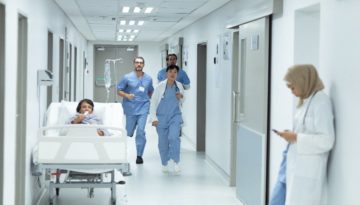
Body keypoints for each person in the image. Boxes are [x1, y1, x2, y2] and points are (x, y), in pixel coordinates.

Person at [269, 64, 335, 205]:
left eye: (293, 87)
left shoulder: (321, 102)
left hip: (307, 171)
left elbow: (327, 140)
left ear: (303, 81)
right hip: (292, 162)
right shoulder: (305, 102)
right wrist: (291, 135)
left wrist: (296, 137)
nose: (292, 92)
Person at [117, 56, 154, 164]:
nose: (139, 64)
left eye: (141, 63)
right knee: (128, 132)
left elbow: (151, 91)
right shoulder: (127, 77)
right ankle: (130, 132)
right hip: (131, 108)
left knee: (141, 131)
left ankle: (139, 155)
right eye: (137, 62)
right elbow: (119, 91)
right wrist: (127, 95)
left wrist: (148, 100)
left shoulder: (148, 78)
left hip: (143, 107)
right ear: (134, 64)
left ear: (143, 64)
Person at [150, 64, 184, 174]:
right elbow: (153, 103)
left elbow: (182, 100)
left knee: (174, 138)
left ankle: (176, 162)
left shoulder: (179, 86)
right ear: (166, 73)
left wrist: (181, 97)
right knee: (163, 142)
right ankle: (164, 162)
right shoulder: (160, 86)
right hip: (161, 118)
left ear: (177, 74)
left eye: (175, 72)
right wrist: (153, 118)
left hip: (175, 116)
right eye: (170, 72)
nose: (173, 74)